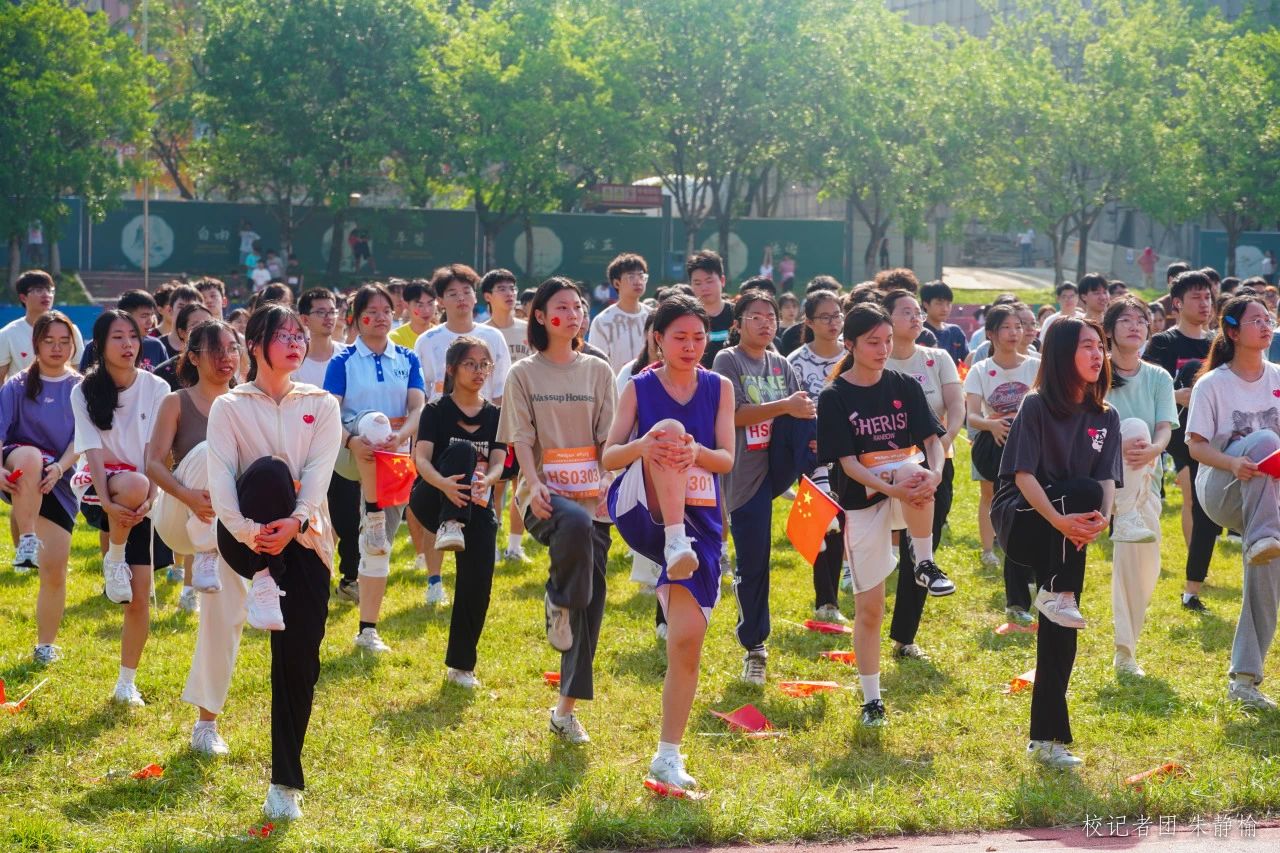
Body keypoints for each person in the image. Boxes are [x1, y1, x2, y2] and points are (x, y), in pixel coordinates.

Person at [206, 302, 342, 820]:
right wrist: (252, 534)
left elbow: (321, 473)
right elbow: (221, 480)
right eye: (283, 335)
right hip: (248, 539)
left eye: (299, 335)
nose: (295, 343)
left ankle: (284, 783)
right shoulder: (230, 406)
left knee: (299, 662)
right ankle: (265, 578)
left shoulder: (321, 403)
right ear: (255, 345)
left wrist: (298, 522)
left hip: (307, 540)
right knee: (269, 472)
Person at [604, 294, 734, 790]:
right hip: (642, 507)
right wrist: (646, 444)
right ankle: (674, 540)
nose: (691, 346)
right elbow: (609, 456)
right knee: (668, 430)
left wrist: (694, 452)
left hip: (702, 518)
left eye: (699, 337)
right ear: (658, 338)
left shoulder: (719, 387)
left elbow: (725, 460)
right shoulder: (639, 386)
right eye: (680, 337)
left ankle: (667, 756)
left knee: (686, 640)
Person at [992, 316, 1120, 769]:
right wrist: (1062, 521)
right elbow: (1023, 476)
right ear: (1062, 354)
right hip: (1025, 519)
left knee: (1062, 628)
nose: (1097, 354)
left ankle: (1047, 740)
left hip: (1070, 532)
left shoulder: (1106, 415)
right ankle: (1056, 592)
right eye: (1087, 346)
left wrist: (1101, 520)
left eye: (1100, 346)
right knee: (1081, 492)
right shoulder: (1036, 405)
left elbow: (1107, 479)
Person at [497, 277, 616, 744]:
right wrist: (535, 481)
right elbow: (521, 439)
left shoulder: (598, 371)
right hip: (545, 498)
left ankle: (565, 711)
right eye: (561, 307)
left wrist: (605, 478)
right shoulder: (523, 374)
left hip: (594, 497)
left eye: (578, 306)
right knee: (575, 525)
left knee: (591, 605)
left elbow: (608, 437)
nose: (572, 314)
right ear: (542, 317)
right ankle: (558, 597)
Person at [818, 303, 947, 727]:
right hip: (863, 501)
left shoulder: (904, 384)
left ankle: (924, 562)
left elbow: (932, 440)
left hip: (907, 488)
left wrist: (935, 475)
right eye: (873, 342)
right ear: (850, 345)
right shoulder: (835, 396)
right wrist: (892, 488)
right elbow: (848, 464)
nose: (883, 349)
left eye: (887, 340)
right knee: (870, 608)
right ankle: (871, 700)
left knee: (915, 470)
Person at [712, 290, 814, 685]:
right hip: (745, 475)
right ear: (738, 323)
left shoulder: (781, 363)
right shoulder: (728, 359)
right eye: (755, 316)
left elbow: (797, 411)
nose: (765, 322)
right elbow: (735, 414)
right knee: (754, 562)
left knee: (810, 416)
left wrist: (797, 410)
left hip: (779, 465)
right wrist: (785, 406)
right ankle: (754, 647)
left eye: (770, 316)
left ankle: (818, 485)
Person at [148, 320, 240, 753]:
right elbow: (153, 463)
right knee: (208, 450)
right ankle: (204, 552)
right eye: (215, 350)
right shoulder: (176, 401)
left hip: (227, 527)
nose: (226, 358)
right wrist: (187, 496)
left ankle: (206, 724)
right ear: (194, 357)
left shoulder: (246, 402)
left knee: (225, 617)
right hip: (178, 518)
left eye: (232, 348)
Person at [1185, 294, 1280, 710]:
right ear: (1233, 331)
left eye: (1268, 318)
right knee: (1263, 439)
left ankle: (1244, 680)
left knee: (1266, 570)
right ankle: (1264, 535)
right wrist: (1233, 462)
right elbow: (1196, 447)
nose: (1266, 325)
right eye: (1256, 320)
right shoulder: (1212, 384)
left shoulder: (1277, 376)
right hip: (1222, 488)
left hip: (1269, 497)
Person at [69, 310, 170, 705]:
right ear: (99, 345)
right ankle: (113, 558)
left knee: (139, 596)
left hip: (142, 493)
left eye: (133, 336)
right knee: (133, 483)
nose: (128, 344)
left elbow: (155, 450)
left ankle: (126, 682)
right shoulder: (83, 391)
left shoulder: (156, 387)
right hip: (100, 487)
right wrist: (109, 502)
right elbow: (92, 449)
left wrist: (152, 497)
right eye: (118, 337)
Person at [325, 284, 425, 648]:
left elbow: (418, 408)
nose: (381, 317)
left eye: (387, 311)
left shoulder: (408, 359)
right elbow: (329, 412)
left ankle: (368, 629)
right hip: (351, 456)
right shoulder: (343, 361)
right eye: (372, 311)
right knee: (372, 420)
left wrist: (400, 438)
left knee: (379, 547)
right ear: (356, 318)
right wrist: (352, 441)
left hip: (394, 459)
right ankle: (372, 512)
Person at [408, 336, 507, 688]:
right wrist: (445, 485)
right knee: (463, 450)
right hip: (432, 498)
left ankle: (462, 667)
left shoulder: (496, 415)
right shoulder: (435, 410)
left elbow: (499, 462)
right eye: (470, 364)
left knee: (478, 584)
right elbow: (420, 460)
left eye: (484, 365)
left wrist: (486, 481)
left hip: (477, 503)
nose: (479, 371)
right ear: (451, 369)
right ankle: (450, 523)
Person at [414, 266, 510, 597]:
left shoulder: (492, 337)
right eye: (452, 293)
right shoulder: (428, 341)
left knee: (484, 495)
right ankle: (435, 579)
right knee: (443, 497)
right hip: (441, 430)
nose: (461, 299)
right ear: (440, 300)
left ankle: (487, 544)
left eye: (467, 291)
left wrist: (496, 422)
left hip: (484, 426)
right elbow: (422, 391)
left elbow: (502, 388)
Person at [884, 289, 963, 659]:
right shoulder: (875, 361)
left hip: (935, 464)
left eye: (917, 312)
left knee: (921, 551)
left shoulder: (937, 357)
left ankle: (905, 636)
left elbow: (956, 407)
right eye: (906, 312)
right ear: (886, 318)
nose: (916, 317)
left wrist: (940, 448)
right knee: (878, 544)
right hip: (884, 467)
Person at [0, 312, 79, 664]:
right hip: (20, 470)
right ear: (35, 345)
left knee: (55, 570)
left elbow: (83, 439)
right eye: (49, 341)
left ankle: (45, 646)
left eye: (64, 341)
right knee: (31, 457)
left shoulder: (81, 387)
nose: (57, 348)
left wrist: (60, 468)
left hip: (58, 481)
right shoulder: (16, 385)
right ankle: (27, 538)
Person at [1103, 298, 1176, 678]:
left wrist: (1155, 450)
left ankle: (1126, 650)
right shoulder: (1096, 373)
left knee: (1145, 568)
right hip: (1101, 477)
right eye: (1126, 320)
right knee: (1131, 427)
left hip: (1146, 477)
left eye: (1142, 321)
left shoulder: (1158, 377)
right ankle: (1124, 652)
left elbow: (1164, 427)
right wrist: (1119, 446)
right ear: (1109, 330)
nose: (1135, 326)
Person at [1143, 270, 1217, 611]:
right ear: (1177, 303)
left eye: (1208, 297)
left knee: (1206, 506)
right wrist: (1178, 395)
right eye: (1196, 297)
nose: (1204, 303)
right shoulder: (1164, 343)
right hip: (1173, 432)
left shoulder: (1218, 343)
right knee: (1193, 497)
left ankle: (1195, 573)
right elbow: (1146, 386)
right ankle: (1193, 575)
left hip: (1210, 432)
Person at [964, 303, 1040, 606]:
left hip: (1031, 443)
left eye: (1017, 327)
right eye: (1006, 327)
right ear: (991, 334)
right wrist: (992, 424)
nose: (1014, 333)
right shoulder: (980, 369)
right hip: (994, 443)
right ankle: (988, 550)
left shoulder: (1036, 365)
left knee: (1028, 501)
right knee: (991, 496)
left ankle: (1027, 562)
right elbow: (972, 416)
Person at [788, 289, 850, 623]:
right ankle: (825, 600)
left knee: (843, 520)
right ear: (809, 322)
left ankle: (837, 593)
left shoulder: (852, 355)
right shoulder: (795, 362)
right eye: (824, 317)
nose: (833, 322)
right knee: (823, 524)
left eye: (837, 315)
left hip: (851, 451)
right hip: (811, 453)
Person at [481, 268, 533, 562]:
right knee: (494, 482)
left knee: (521, 482)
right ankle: (491, 543)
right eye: (502, 288)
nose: (510, 293)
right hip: (493, 416)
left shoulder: (528, 330)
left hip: (526, 416)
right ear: (488, 296)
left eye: (512, 287)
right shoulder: (481, 333)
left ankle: (515, 546)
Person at [0, 271, 84, 383]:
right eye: (38, 290)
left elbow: (79, 371)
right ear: (23, 297)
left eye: (49, 290)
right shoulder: (8, 334)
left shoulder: (71, 330)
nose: (46, 295)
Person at [588, 253, 653, 374]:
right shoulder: (603, 321)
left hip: (649, 384)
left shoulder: (653, 317)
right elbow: (596, 365)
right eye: (631, 277)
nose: (638, 281)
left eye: (641, 276)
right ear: (616, 283)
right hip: (615, 384)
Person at [80, 289, 168, 373]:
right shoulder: (96, 346)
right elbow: (85, 379)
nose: (150, 321)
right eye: (144, 316)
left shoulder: (156, 346)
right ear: (125, 316)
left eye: (152, 315)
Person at [154, 303, 214, 392]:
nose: (203, 330)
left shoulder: (222, 364)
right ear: (181, 332)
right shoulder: (164, 373)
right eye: (195, 325)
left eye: (208, 325)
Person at [688, 251, 734, 368]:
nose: (704, 288)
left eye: (709, 281)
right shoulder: (687, 318)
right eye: (697, 283)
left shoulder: (737, 314)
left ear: (722, 281)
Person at [920, 280, 968, 366]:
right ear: (925, 304)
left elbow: (966, 361)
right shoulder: (919, 332)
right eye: (939, 304)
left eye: (948, 304)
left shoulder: (955, 332)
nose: (945, 309)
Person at [157, 284, 205, 360]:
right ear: (170, 310)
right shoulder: (156, 346)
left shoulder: (207, 347)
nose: (186, 311)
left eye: (192, 307)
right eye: (181, 306)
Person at [389, 279, 436, 350]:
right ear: (406, 305)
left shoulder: (442, 334)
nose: (426, 310)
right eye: (420, 305)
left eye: (430, 304)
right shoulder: (394, 338)